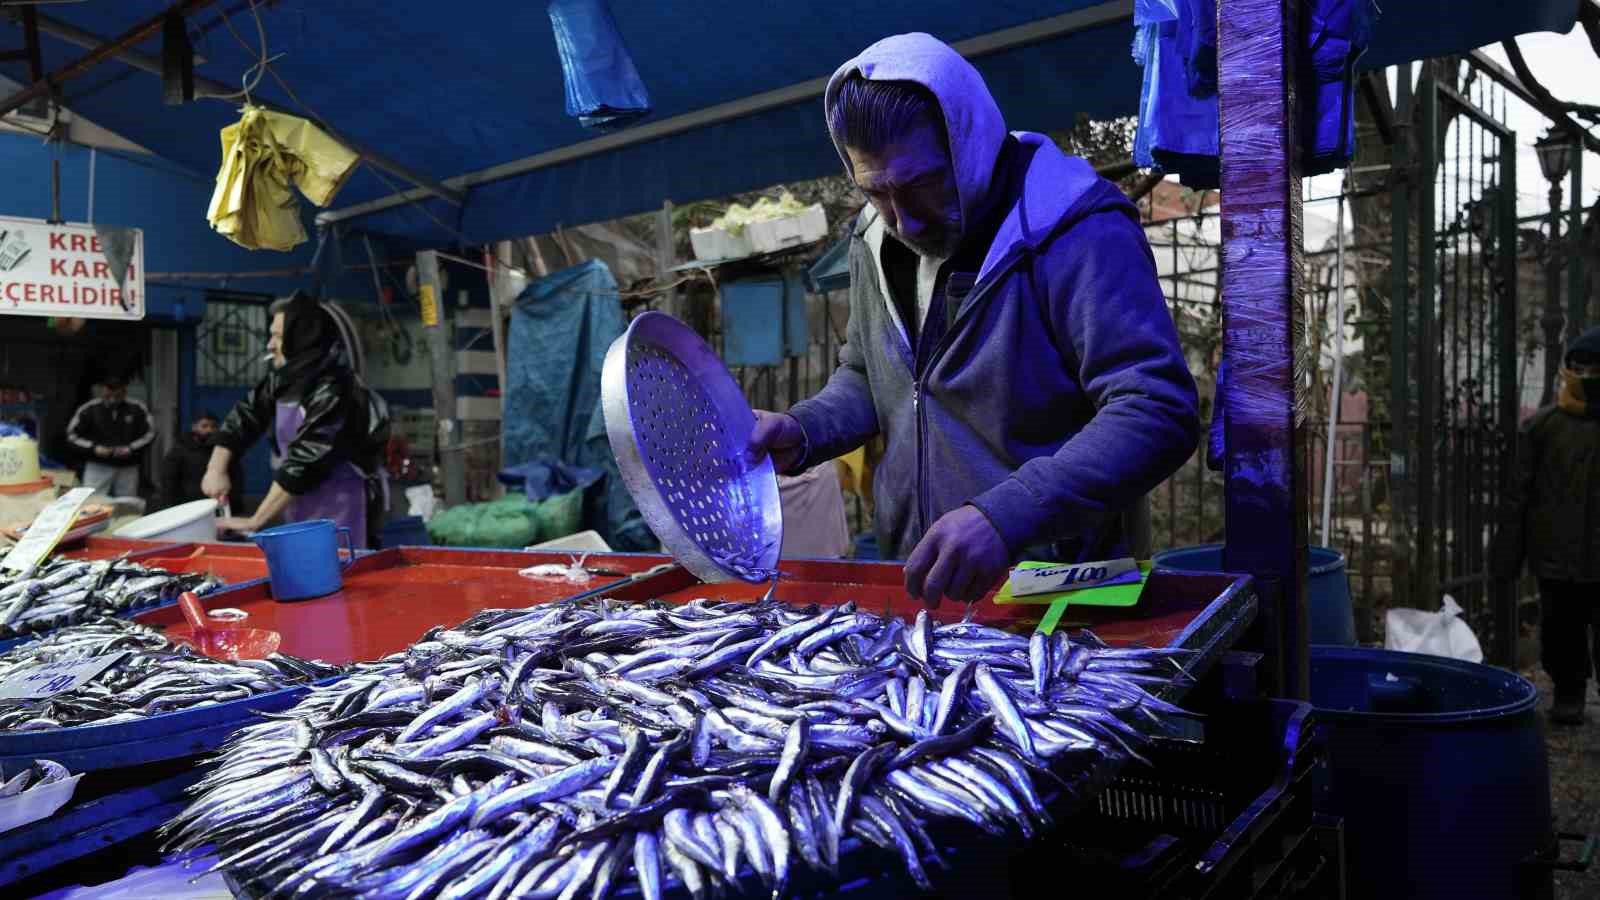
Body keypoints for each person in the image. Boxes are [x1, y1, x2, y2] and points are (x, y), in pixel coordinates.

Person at [747, 33, 1198, 607]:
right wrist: (806, 429)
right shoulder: (872, 238)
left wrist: (1006, 516)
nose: (904, 222)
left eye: (922, 185)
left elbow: (1157, 409)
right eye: (876, 193)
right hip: (930, 586)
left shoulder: (1074, 228)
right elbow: (872, 376)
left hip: (1063, 593)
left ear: (971, 138)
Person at [205, 292, 391, 548]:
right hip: (297, 500)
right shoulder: (284, 380)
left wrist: (255, 520)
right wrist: (216, 468)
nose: (270, 344)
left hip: (342, 507)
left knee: (342, 575)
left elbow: (307, 458)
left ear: (302, 338)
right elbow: (245, 415)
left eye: (278, 336)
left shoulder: (334, 388)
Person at [1497, 326, 1600, 725]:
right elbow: (1517, 496)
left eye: (1596, 368)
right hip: (1557, 554)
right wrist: (1507, 557)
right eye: (1581, 368)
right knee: (1561, 631)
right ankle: (1569, 692)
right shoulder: (1543, 428)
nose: (1588, 377)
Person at [65, 373, 154, 498]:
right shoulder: (89, 409)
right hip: (97, 465)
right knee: (92, 501)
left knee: (127, 503)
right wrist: (94, 448)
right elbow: (72, 435)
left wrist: (130, 448)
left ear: (124, 391)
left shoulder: (137, 408)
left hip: (127, 466)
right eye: (109, 393)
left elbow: (149, 434)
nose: (112, 398)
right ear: (102, 390)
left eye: (117, 394)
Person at [159, 411, 244, 510]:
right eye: (204, 426)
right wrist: (170, 505)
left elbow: (236, 478)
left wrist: (235, 504)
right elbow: (169, 479)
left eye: (213, 426)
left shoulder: (222, 450)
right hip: (188, 506)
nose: (209, 430)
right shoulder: (181, 448)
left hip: (218, 505)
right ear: (194, 427)